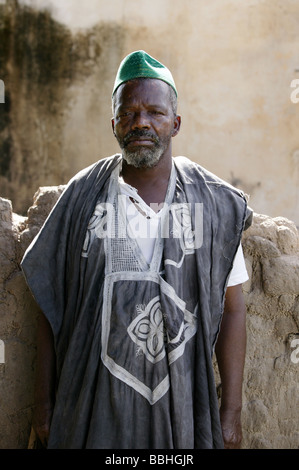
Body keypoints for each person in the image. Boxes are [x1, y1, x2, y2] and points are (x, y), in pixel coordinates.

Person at [21, 50, 252, 449]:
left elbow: (233, 309)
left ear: (175, 123)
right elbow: (48, 305)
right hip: (91, 413)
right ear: (113, 124)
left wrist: (230, 412)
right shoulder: (82, 197)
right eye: (128, 113)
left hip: (181, 410)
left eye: (154, 112)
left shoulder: (212, 204)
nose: (141, 122)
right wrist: (42, 401)